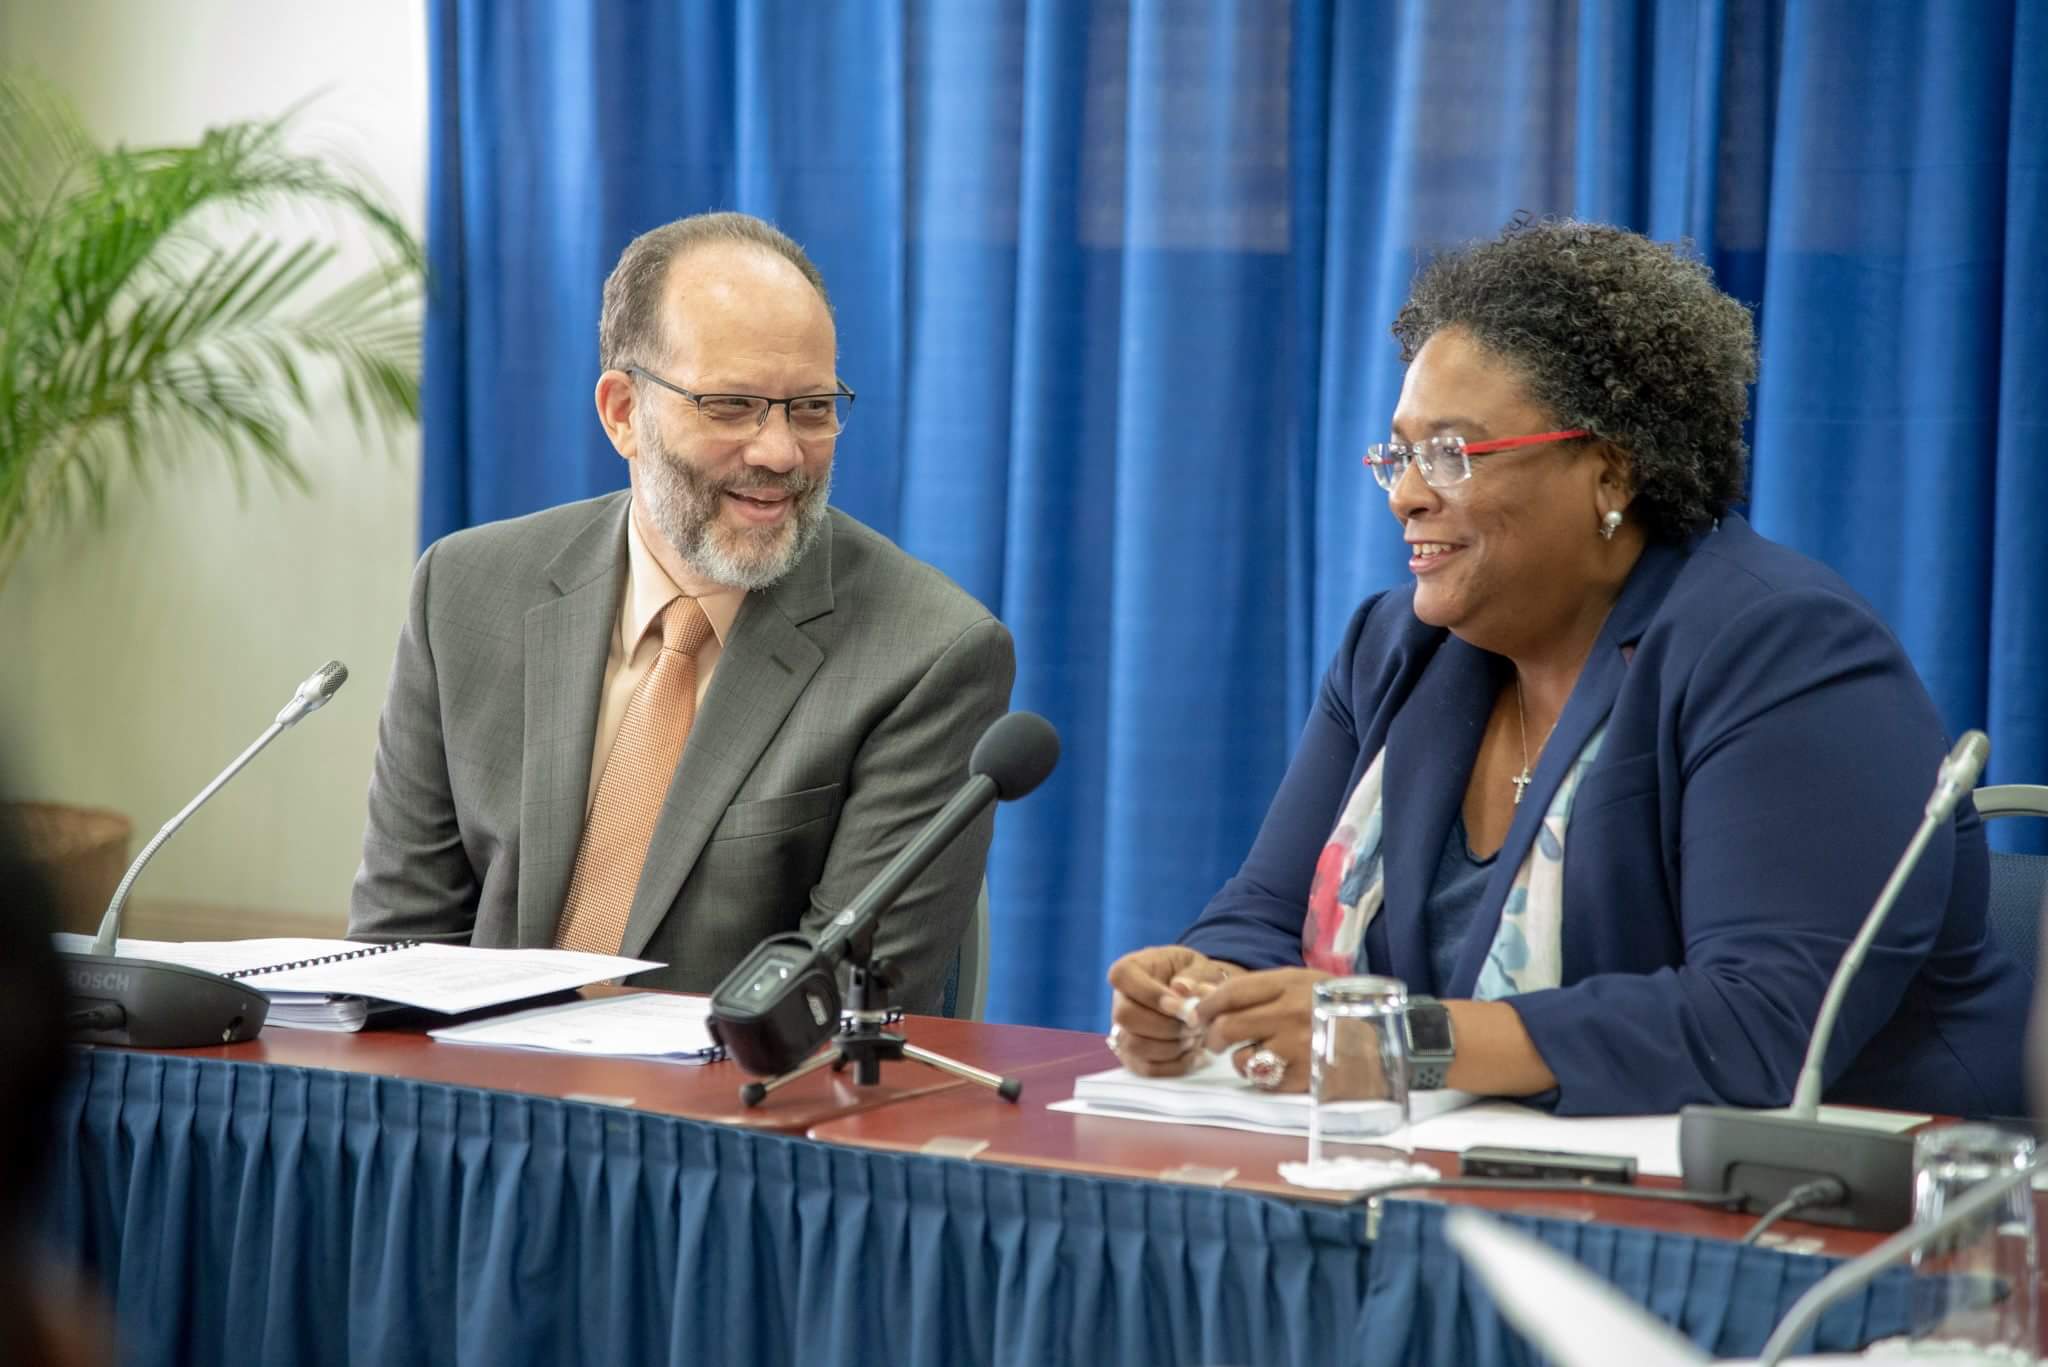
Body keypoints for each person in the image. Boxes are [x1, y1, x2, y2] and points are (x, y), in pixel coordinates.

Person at [1107, 219, 2028, 1117]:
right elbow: (1263, 912)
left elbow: (1759, 1024)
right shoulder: (1394, 651)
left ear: (1610, 475)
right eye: (1399, 455)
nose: (1406, 494)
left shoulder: (1782, 650)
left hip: (1841, 1189)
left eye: (1451, 454)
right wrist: (1203, 993)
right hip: (1468, 1170)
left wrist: (1402, 1040)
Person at [351, 212, 1015, 1013]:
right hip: (472, 1088)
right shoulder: (466, 592)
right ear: (622, 412)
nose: (780, 452)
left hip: (731, 1093)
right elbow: (397, 958)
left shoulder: (928, 653)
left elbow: (835, 1008)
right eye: (732, 405)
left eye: (811, 407)